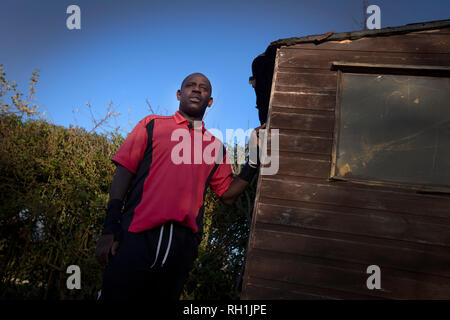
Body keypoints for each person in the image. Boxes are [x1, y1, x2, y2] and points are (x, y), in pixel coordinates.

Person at [95, 72, 264, 300]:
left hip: (181, 248)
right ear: (179, 94)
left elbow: (228, 195)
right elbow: (123, 172)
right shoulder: (152, 125)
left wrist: (254, 154)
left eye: (203, 88)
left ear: (210, 101)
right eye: (190, 86)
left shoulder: (216, 147)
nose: (196, 90)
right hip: (135, 239)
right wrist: (109, 229)